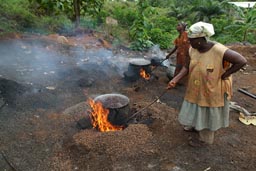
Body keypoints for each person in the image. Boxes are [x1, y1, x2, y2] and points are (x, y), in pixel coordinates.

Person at [167, 21, 247, 147]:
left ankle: (204, 140)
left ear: (200, 39)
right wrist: (175, 79)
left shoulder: (218, 50)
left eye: (191, 40)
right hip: (196, 85)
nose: (189, 42)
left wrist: (226, 74)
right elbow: (186, 67)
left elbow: (241, 61)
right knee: (195, 105)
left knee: (207, 111)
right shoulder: (192, 49)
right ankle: (195, 126)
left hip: (212, 88)